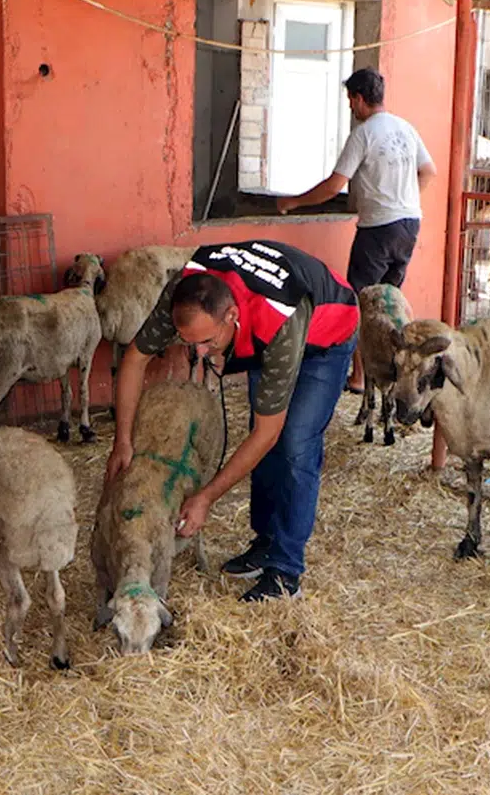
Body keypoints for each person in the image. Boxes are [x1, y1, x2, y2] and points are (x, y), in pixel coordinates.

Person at [103, 240, 359, 602]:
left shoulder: (277, 318)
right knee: (267, 434)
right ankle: (265, 543)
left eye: (207, 342)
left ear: (230, 317)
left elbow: (266, 433)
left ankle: (286, 571)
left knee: (294, 443)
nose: (200, 353)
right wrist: (123, 441)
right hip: (264, 324)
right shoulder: (183, 291)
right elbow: (135, 358)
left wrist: (206, 497)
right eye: (190, 344)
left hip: (327, 331)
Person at [275, 67, 434, 395]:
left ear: (360, 99)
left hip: (377, 229)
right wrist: (402, 198)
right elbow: (428, 171)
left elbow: (334, 186)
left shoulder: (363, 134)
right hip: (409, 225)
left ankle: (360, 377)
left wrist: (292, 203)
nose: (350, 107)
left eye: (351, 100)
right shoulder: (405, 128)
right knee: (391, 302)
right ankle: (397, 373)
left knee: (360, 302)